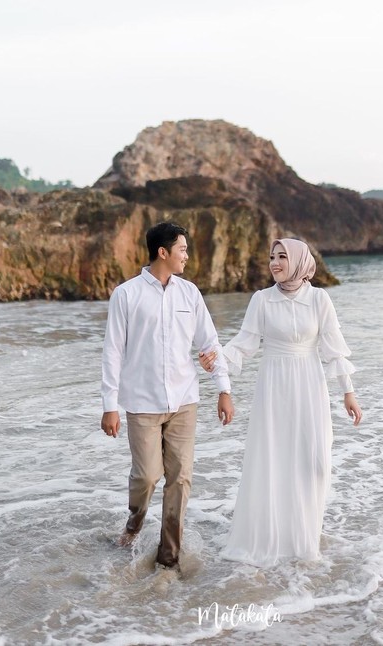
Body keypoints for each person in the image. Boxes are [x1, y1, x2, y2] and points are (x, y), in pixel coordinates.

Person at [201, 237, 362, 567]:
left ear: (301, 262)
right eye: (272, 256)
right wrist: (216, 364)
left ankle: (303, 538)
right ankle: (271, 538)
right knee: (272, 459)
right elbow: (244, 344)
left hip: (309, 384)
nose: (275, 262)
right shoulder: (261, 300)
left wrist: (348, 392)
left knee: (315, 462)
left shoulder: (319, 299)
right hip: (273, 385)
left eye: (283, 256)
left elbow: (333, 348)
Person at [100, 222, 234, 569]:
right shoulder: (126, 295)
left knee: (181, 479)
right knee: (146, 476)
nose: (187, 256)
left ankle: (168, 557)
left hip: (185, 401)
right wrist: (109, 406)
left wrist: (223, 388)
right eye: (183, 250)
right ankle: (135, 522)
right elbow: (112, 352)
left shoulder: (190, 294)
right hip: (141, 404)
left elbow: (209, 343)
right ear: (164, 252)